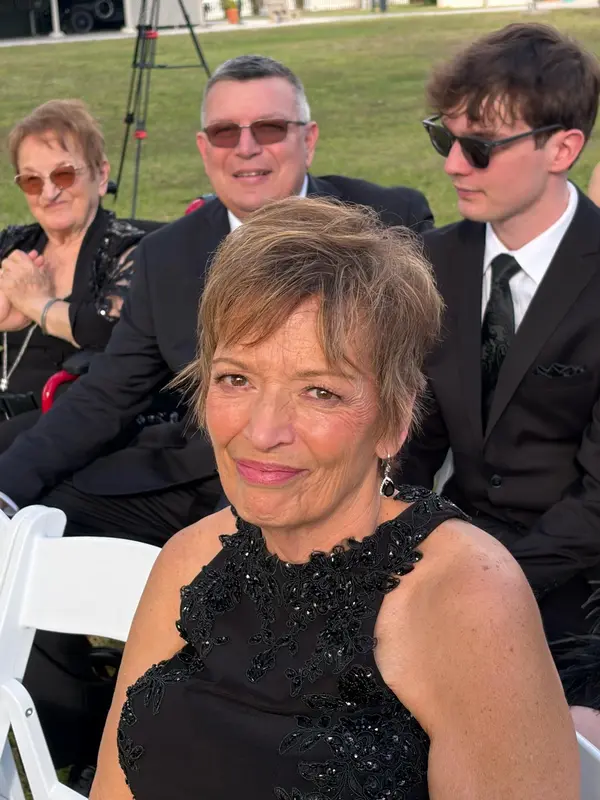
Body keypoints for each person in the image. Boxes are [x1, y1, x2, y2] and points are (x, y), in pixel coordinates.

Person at [0, 55, 434, 784]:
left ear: (308, 137)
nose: (247, 147)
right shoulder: (169, 255)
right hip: (198, 471)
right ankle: (71, 739)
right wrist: (7, 488)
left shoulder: (387, 220)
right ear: (204, 149)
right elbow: (107, 394)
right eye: (226, 132)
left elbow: (414, 386)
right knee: (40, 526)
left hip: (336, 481)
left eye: (270, 127)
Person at [89, 196, 578, 800]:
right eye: (237, 378)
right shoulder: (190, 559)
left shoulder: (465, 597)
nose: (263, 431)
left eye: (319, 391)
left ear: (394, 420)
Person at [401, 23, 600, 660]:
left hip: (579, 582)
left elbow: (597, 503)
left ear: (562, 148)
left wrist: (484, 586)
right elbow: (413, 437)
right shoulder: (432, 262)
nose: (452, 164)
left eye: (479, 147)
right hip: (451, 544)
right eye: (445, 138)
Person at [0, 99, 150, 448]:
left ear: (101, 175)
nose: (49, 193)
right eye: (32, 181)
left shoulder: (130, 251)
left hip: (75, 424)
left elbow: (114, 334)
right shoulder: (13, 245)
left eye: (64, 175)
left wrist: (38, 305)